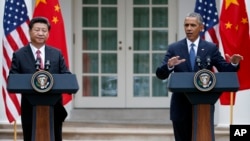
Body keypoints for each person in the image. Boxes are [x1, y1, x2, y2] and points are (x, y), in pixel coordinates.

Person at [155, 12, 243, 141]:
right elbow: (160, 74)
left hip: (204, 106)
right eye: (186, 25)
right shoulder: (174, 48)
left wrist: (234, 63)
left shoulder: (210, 48)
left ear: (201, 27)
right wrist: (169, 66)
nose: (189, 28)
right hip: (181, 106)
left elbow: (225, 69)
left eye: (192, 25)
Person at [9, 17, 70, 141]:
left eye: (44, 30)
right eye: (37, 30)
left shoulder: (56, 54)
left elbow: (66, 76)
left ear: (48, 33)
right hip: (30, 107)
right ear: (30, 31)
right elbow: (13, 79)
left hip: (54, 107)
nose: (41, 33)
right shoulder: (19, 55)